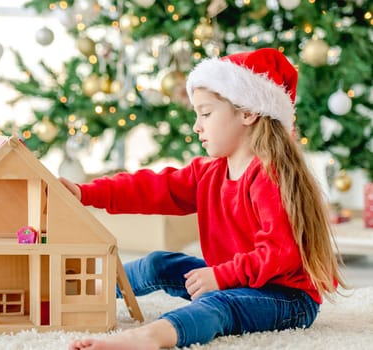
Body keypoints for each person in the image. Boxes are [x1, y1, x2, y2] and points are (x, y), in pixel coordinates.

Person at [60, 47, 347, 350]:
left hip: (287, 297)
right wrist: (85, 192)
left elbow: (279, 253)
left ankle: (149, 337)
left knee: (218, 306)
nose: (197, 126)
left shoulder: (270, 176)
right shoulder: (209, 173)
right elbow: (152, 188)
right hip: (236, 280)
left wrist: (222, 276)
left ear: (248, 112)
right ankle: (83, 292)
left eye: (206, 114)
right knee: (159, 264)